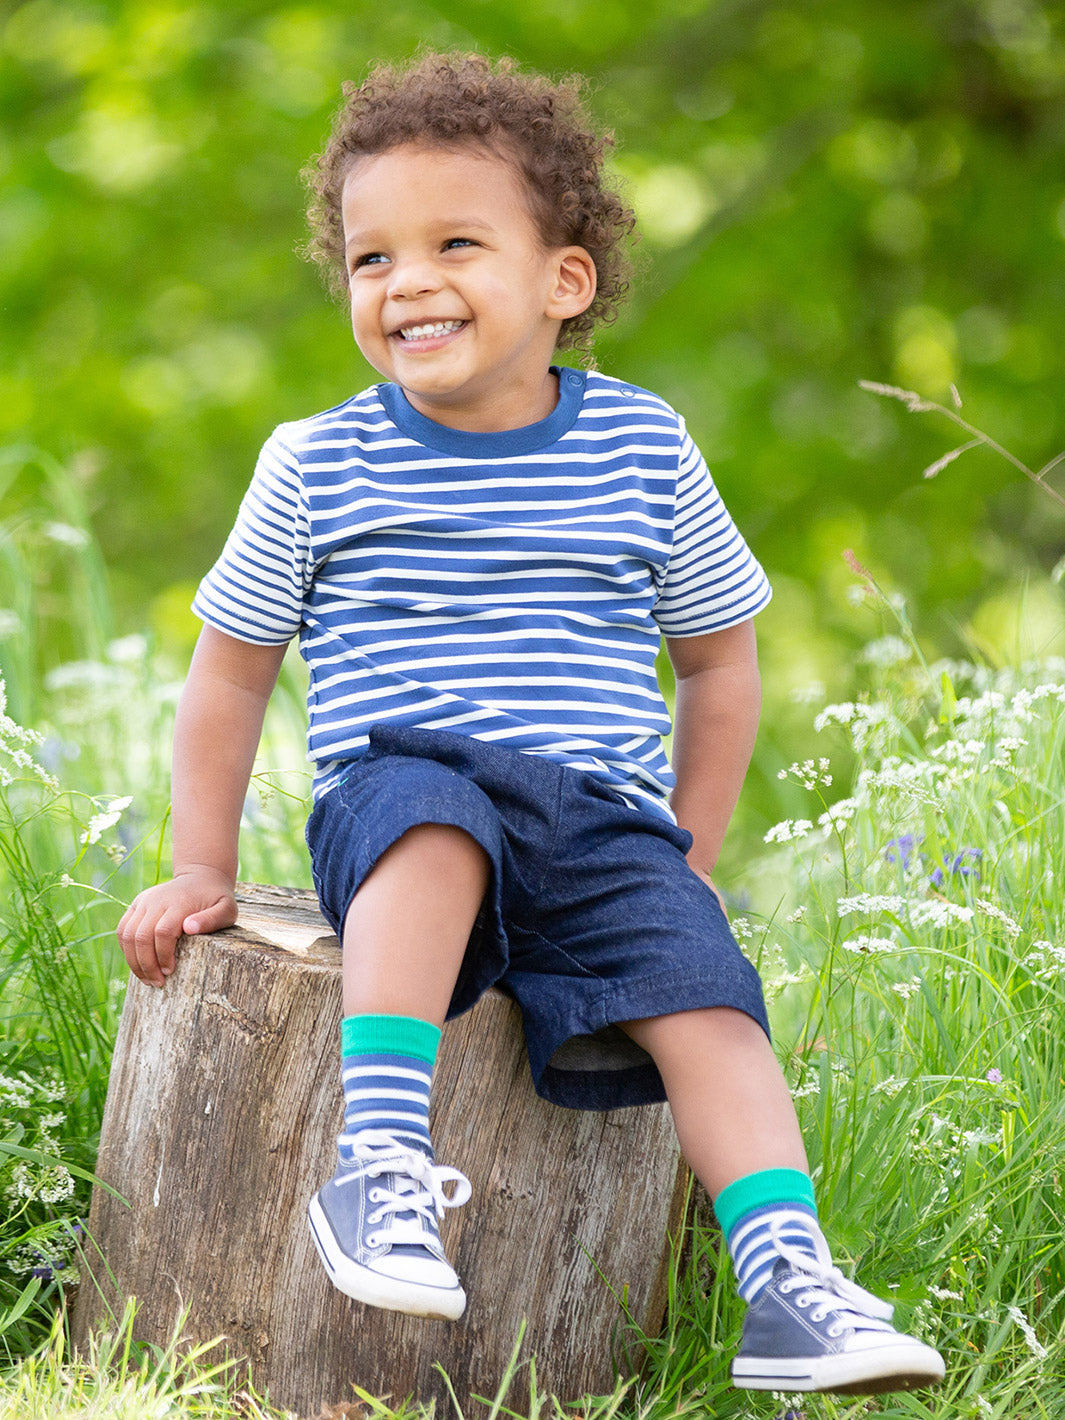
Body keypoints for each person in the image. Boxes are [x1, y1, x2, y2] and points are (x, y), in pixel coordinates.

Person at [116, 52, 945, 1396]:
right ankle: (380, 1169)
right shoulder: (317, 460)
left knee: (708, 997)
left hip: (601, 815)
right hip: (404, 789)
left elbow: (719, 663)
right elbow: (230, 673)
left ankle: (787, 1278)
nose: (405, 282)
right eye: (371, 257)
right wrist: (201, 866)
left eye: (455, 243)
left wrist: (686, 846)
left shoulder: (643, 447)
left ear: (563, 280)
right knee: (433, 828)